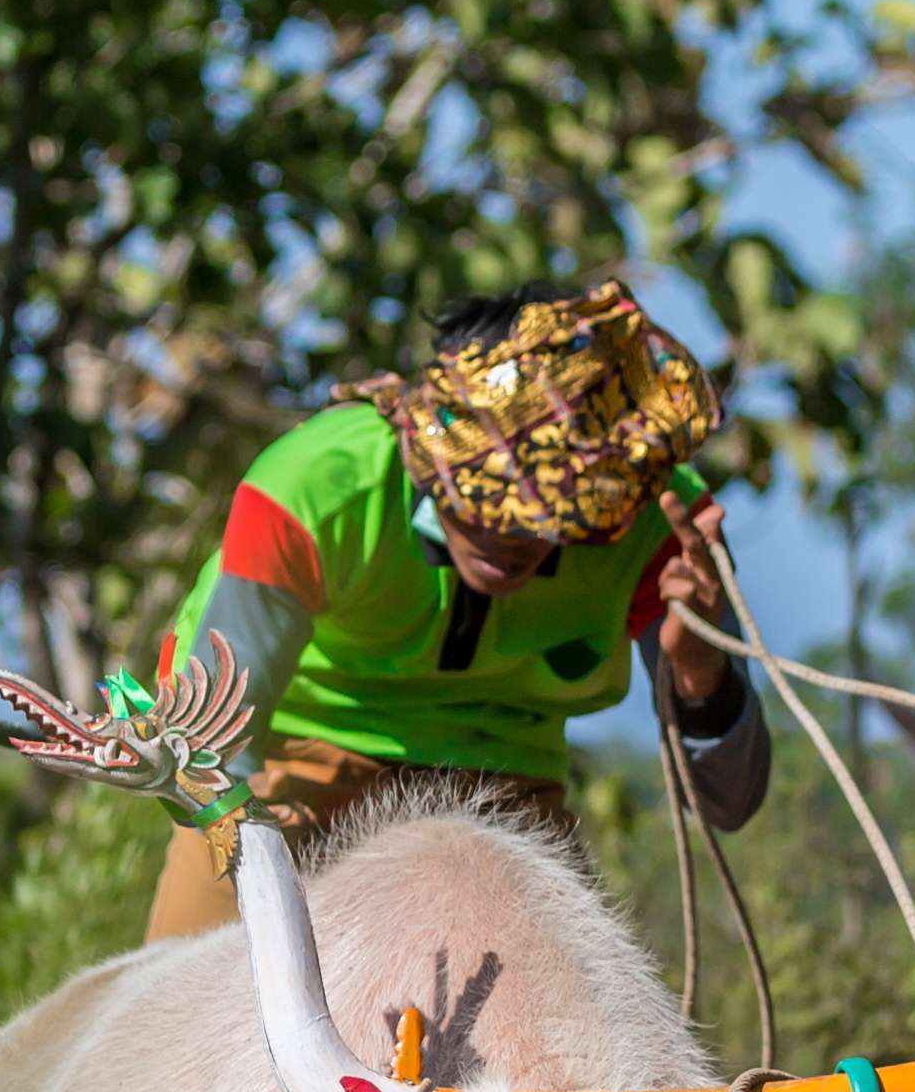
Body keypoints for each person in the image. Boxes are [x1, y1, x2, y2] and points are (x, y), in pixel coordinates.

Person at [139, 276, 769, 941]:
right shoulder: (312, 489)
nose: (513, 538)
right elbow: (200, 750)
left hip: (510, 789)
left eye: (548, 514)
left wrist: (701, 671)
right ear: (430, 449)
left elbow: (730, 803)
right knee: (176, 1013)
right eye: (488, 502)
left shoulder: (663, 526)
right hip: (286, 765)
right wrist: (257, 880)